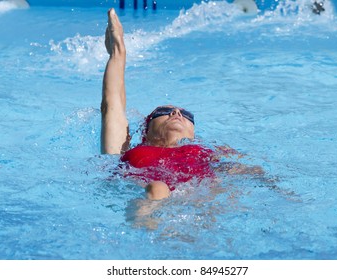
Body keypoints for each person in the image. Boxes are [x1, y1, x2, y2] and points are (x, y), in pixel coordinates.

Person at [101, 8, 262, 201]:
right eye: (164, 111)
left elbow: (251, 172)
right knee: (158, 188)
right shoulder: (124, 152)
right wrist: (118, 53)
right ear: (146, 130)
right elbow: (112, 106)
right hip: (145, 198)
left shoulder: (208, 153)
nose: (176, 112)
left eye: (186, 115)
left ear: (193, 133)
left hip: (199, 202)